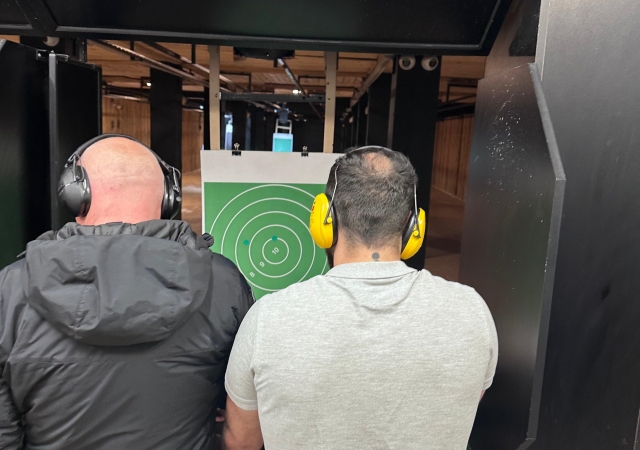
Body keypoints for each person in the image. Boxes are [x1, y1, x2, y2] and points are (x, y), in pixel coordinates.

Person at [222, 146, 498, 450]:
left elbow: (242, 442)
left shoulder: (267, 319)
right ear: (413, 226)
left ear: (325, 219)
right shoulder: (472, 312)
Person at [0, 135, 253, 449]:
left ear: (75, 195)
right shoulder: (223, 283)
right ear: (169, 198)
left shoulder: (10, 290)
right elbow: (242, 412)